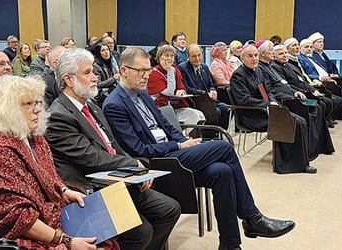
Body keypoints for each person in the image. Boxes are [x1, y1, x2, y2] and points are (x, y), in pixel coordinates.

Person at [103, 46, 295, 250]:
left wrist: (183, 140)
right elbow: (138, 149)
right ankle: (251, 217)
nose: (146, 76)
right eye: (141, 71)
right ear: (123, 71)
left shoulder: (141, 95)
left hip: (175, 154)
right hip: (157, 164)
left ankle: (230, 245)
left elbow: (167, 126)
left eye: (149, 70)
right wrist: (178, 145)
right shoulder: (114, 105)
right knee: (224, 147)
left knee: (223, 172)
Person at [45, 48, 181, 250]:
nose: (94, 78)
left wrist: (139, 170)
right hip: (90, 188)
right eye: (87, 73)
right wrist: (132, 164)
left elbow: (113, 146)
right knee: (141, 232)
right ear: (68, 79)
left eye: (93, 72)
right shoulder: (59, 116)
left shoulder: (91, 106)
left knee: (169, 209)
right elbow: (91, 158)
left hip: (114, 179)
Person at [0, 75, 120, 249]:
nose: (38, 109)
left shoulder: (34, 139)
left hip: (43, 219)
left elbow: (50, 178)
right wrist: (67, 241)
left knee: (108, 236)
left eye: (38, 102)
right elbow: (19, 218)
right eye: (28, 104)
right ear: (4, 109)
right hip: (9, 237)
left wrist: (65, 190)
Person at [230, 44, 317, 174]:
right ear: (242, 58)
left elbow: (268, 91)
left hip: (267, 109)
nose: (254, 59)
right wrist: (268, 105)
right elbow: (244, 100)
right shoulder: (238, 76)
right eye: (250, 56)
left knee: (301, 120)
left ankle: (300, 160)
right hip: (252, 114)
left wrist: (273, 101)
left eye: (255, 55)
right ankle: (290, 164)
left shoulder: (258, 71)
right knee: (294, 122)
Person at [258, 42, 335, 159]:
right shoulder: (264, 68)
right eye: (272, 51)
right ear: (263, 54)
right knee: (312, 109)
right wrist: (291, 95)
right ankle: (305, 151)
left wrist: (295, 92)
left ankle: (317, 147)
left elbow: (286, 83)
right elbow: (271, 90)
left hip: (292, 94)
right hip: (284, 99)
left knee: (317, 107)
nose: (273, 53)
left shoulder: (269, 66)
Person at [147, 44, 205, 133]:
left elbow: (181, 87)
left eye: (172, 56)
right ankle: (186, 140)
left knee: (200, 114)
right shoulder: (154, 73)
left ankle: (193, 138)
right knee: (193, 116)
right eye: (166, 55)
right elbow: (169, 92)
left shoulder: (174, 69)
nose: (169, 58)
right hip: (160, 108)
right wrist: (169, 71)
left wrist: (181, 91)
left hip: (174, 105)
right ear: (159, 57)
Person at [179, 44, 231, 130]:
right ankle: (209, 134)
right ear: (188, 57)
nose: (197, 58)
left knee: (226, 108)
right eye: (194, 56)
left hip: (208, 99)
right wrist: (203, 93)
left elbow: (210, 85)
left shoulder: (205, 67)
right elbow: (186, 87)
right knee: (216, 111)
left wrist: (212, 91)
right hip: (196, 100)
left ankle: (219, 134)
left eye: (199, 55)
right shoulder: (182, 68)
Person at [308, 32, 342, 118]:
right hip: (324, 79)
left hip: (331, 76)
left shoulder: (323, 54)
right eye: (319, 42)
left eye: (322, 41)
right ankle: (341, 113)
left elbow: (331, 66)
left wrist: (334, 74)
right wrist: (329, 75)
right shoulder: (312, 56)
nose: (322, 44)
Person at [298, 39, 342, 121]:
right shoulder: (300, 58)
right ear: (301, 48)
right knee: (332, 99)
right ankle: (325, 120)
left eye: (311, 47)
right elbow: (305, 74)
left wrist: (329, 76)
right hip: (315, 83)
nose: (309, 49)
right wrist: (319, 78)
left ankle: (328, 119)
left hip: (325, 80)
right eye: (306, 47)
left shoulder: (313, 57)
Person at [88, 43, 120, 107]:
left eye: (107, 50)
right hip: (103, 95)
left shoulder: (113, 63)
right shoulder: (96, 66)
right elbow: (98, 84)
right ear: (99, 53)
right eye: (103, 50)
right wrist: (113, 78)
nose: (106, 52)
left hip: (114, 91)